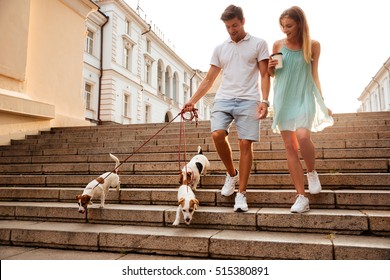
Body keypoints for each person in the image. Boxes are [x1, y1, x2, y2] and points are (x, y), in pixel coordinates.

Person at [182, 4, 270, 212]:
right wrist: (192, 100)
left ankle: (241, 194)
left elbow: (265, 74)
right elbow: (209, 78)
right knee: (217, 134)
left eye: (235, 26)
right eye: (228, 27)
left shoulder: (259, 44)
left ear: (243, 21)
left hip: (249, 99)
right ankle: (232, 174)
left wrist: (265, 101)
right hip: (224, 99)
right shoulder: (220, 48)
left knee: (245, 144)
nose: (232, 30)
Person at [268, 6, 334, 213]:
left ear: (300, 24)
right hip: (284, 98)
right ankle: (301, 196)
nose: (285, 30)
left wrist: (321, 101)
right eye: (282, 26)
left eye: (289, 25)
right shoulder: (278, 44)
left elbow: (315, 74)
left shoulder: (313, 46)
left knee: (303, 136)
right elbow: (275, 74)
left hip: (304, 96)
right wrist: (270, 69)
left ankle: (311, 172)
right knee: (290, 147)